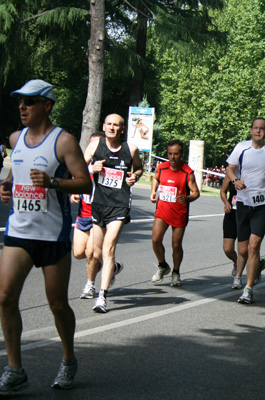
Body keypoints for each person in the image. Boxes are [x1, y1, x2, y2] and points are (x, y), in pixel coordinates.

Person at [0, 79, 92, 393]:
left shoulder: (63, 141)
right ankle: (15, 369)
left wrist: (54, 183)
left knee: (57, 304)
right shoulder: (16, 138)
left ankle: (68, 359)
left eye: (29, 102)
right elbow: (18, 173)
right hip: (19, 232)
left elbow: (85, 184)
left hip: (52, 235)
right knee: (4, 297)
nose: (22, 107)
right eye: (20, 102)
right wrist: (8, 186)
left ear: (46, 105)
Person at [84, 113, 143, 313]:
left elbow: (139, 168)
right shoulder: (94, 146)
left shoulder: (130, 149)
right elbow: (79, 168)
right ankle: (112, 271)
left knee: (108, 249)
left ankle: (102, 296)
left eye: (116, 125)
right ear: (104, 126)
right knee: (96, 252)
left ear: (122, 129)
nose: (112, 128)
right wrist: (92, 167)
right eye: (109, 124)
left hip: (119, 205)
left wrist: (133, 177)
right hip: (98, 203)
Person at [225, 118, 265, 304]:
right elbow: (230, 169)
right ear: (251, 130)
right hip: (243, 203)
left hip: (263, 205)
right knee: (242, 249)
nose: (258, 131)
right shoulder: (241, 147)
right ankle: (256, 266)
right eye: (255, 128)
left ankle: (248, 289)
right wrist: (235, 181)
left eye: (262, 129)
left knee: (253, 246)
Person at [150, 139, 200, 286]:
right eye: (170, 154)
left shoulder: (187, 172)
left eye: (176, 154)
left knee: (176, 244)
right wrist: (153, 191)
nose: (172, 157)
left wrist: (187, 198)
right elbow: (156, 179)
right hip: (162, 210)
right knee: (155, 239)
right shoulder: (161, 168)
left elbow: (196, 192)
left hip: (179, 212)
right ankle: (162, 265)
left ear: (181, 154)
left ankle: (176, 272)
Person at [71, 131, 105, 300]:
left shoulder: (107, 166)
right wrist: (74, 193)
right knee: (78, 253)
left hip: (99, 216)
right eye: (91, 145)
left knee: (91, 252)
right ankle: (110, 267)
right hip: (83, 215)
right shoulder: (83, 166)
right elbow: (75, 180)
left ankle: (90, 285)